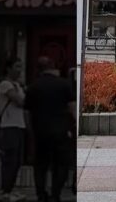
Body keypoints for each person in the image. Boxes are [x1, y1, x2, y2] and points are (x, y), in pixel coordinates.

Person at [24, 57, 76, 202]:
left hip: (40, 131)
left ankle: (41, 194)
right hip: (60, 131)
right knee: (60, 164)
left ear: (40, 70)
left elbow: (27, 112)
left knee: (40, 164)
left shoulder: (33, 87)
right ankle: (55, 194)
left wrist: (30, 131)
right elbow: (72, 108)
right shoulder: (63, 84)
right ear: (53, 68)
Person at [0, 59, 26, 202]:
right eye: (16, 67)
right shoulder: (5, 85)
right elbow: (20, 101)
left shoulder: (18, 86)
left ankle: (11, 189)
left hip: (19, 126)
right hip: (9, 127)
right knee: (10, 159)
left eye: (20, 67)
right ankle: (6, 191)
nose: (19, 70)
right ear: (8, 68)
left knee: (17, 161)